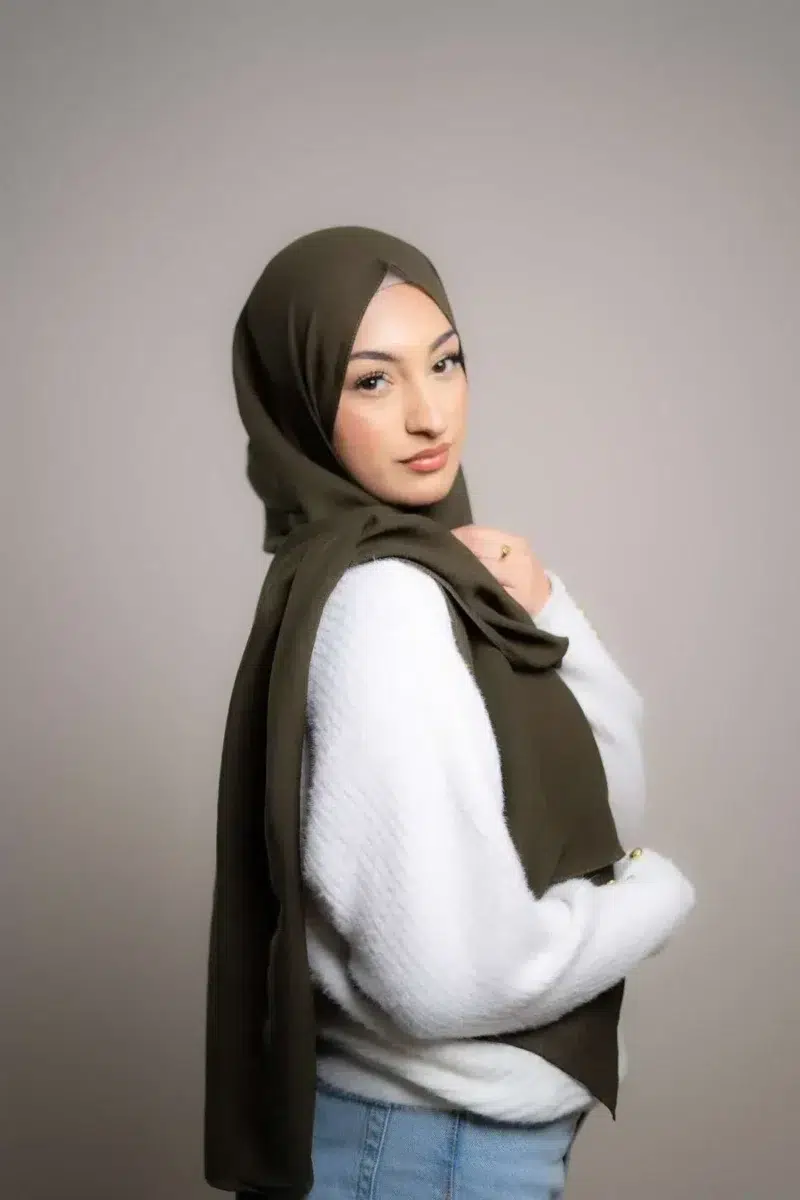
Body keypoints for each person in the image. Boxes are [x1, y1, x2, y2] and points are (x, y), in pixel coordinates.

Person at [204, 226, 696, 1200]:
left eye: (444, 362)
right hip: (427, 1154)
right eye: (371, 381)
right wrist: (657, 897)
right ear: (301, 404)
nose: (429, 415)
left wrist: (546, 610)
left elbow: (600, 812)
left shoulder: (418, 580)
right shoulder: (382, 604)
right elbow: (448, 979)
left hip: (436, 1150)